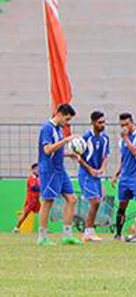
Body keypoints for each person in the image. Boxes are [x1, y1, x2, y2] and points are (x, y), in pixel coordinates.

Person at [37, 103, 82, 246]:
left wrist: (70, 154)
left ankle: (67, 235)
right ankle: (42, 237)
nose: (68, 123)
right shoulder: (47, 128)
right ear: (60, 115)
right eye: (67, 119)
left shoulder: (59, 130)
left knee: (72, 199)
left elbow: (57, 151)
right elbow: (48, 150)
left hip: (60, 170)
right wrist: (66, 140)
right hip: (49, 170)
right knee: (47, 201)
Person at [111, 113, 136, 241]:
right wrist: (116, 174)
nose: (125, 127)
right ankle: (118, 234)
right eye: (122, 125)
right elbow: (123, 158)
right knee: (122, 205)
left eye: (127, 124)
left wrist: (126, 139)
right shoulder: (122, 140)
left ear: (132, 123)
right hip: (125, 177)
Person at [77, 111, 110, 242]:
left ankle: (89, 231)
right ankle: (87, 232)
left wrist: (102, 169)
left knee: (97, 203)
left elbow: (106, 155)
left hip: (96, 175)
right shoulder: (86, 138)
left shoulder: (105, 138)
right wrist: (90, 169)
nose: (103, 125)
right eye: (100, 122)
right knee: (95, 201)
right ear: (93, 123)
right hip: (85, 174)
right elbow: (78, 158)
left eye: (104, 122)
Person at [13, 163, 41, 233]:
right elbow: (33, 187)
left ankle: (43, 229)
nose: (38, 170)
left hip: (36, 200)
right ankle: (16, 228)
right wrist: (43, 188)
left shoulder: (38, 179)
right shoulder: (31, 177)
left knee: (42, 213)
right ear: (33, 170)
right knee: (25, 214)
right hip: (31, 200)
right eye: (37, 169)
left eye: (39, 169)